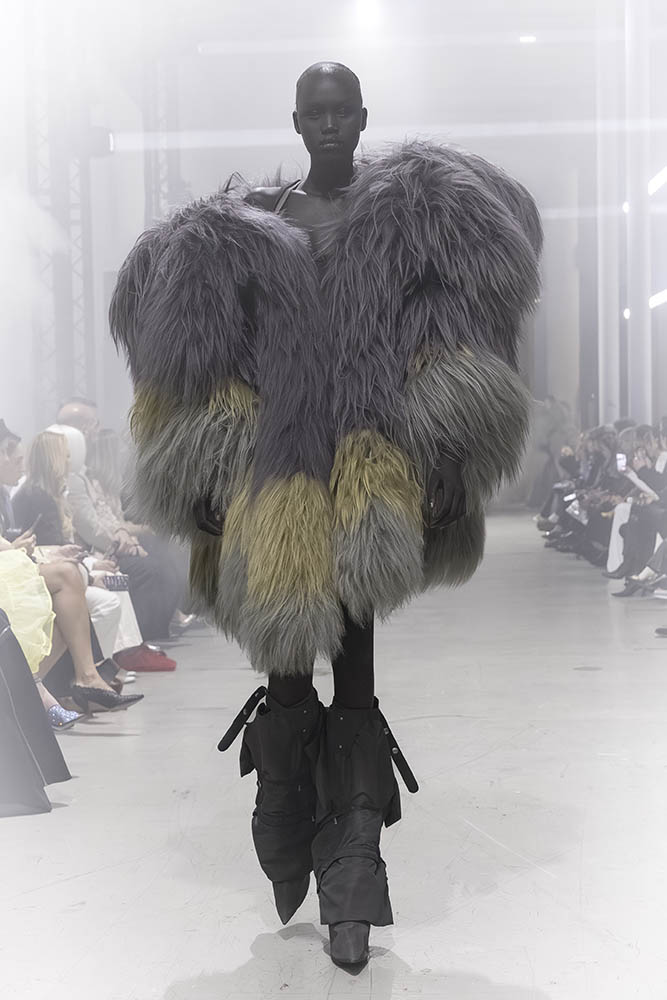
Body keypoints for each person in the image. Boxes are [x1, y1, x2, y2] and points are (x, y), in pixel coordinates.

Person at [111, 62, 541, 968]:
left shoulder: (411, 222)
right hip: (271, 476)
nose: (331, 125)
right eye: (317, 113)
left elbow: (449, 343)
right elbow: (204, 361)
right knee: (286, 665)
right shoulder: (244, 231)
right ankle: (282, 798)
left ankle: (353, 867)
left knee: (354, 669)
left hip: (368, 468)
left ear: (363, 116)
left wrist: (449, 456)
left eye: (344, 111)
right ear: (297, 121)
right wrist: (204, 464)